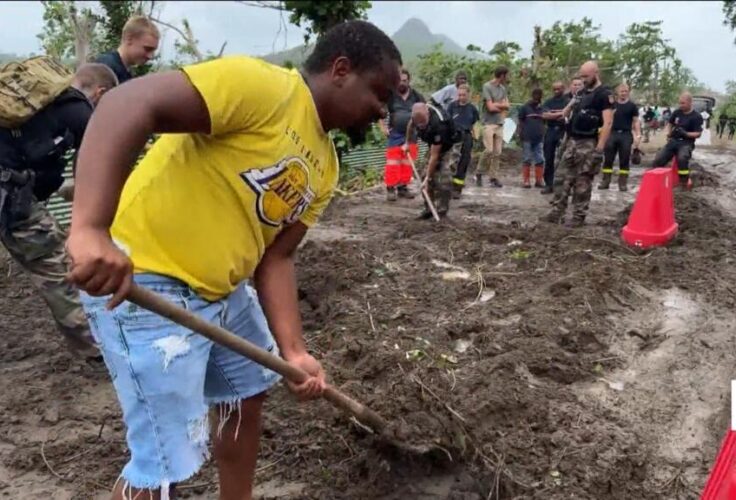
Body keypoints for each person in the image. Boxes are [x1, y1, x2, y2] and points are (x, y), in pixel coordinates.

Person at [66, 21, 401, 498]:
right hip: (144, 278)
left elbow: (278, 258)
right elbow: (127, 103)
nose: (382, 110)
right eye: (379, 94)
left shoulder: (326, 164)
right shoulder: (262, 88)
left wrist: (294, 351)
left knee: (245, 395)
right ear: (341, 70)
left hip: (223, 291)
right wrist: (90, 230)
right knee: (167, 456)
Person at [0, 62, 118, 359]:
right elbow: (92, 172)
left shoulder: (37, 107)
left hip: (12, 191)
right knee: (59, 270)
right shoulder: (79, 112)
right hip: (12, 199)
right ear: (100, 93)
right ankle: (97, 349)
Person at [545, 61, 614, 227]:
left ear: (595, 73)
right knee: (561, 177)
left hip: (589, 142)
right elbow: (567, 110)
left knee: (582, 182)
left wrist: (599, 149)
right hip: (572, 140)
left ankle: (578, 216)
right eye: (581, 76)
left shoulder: (604, 95)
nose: (583, 79)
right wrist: (561, 112)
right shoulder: (581, 93)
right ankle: (557, 212)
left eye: (586, 76)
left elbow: (608, 123)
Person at [410, 102, 463, 219]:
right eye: (419, 125)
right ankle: (429, 208)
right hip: (434, 145)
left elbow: (435, 156)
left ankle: (442, 212)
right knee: (423, 176)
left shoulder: (439, 124)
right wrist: (406, 143)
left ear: (427, 113)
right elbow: (410, 125)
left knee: (443, 178)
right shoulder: (416, 116)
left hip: (450, 145)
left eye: (423, 123)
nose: (421, 126)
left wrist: (428, 179)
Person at [378, 68, 424, 201]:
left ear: (409, 81)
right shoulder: (391, 95)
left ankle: (403, 187)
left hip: (412, 134)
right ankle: (391, 188)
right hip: (395, 133)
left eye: (404, 80)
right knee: (393, 161)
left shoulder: (416, 96)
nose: (401, 83)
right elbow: (379, 110)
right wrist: (383, 127)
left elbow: (424, 111)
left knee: (407, 162)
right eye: (399, 80)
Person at [651, 92, 704, 188]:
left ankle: (683, 181)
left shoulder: (696, 116)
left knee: (682, 158)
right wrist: (669, 132)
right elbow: (670, 123)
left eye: (683, 103)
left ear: (690, 103)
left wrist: (686, 133)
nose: (681, 105)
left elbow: (698, 134)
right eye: (680, 103)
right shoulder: (677, 112)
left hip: (686, 142)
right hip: (674, 141)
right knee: (658, 159)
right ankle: (657, 181)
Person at [598, 83, 640, 192]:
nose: (624, 93)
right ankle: (605, 181)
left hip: (626, 134)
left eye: (626, 91)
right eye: (622, 91)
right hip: (612, 133)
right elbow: (606, 119)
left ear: (628, 92)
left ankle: (622, 183)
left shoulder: (632, 106)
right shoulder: (612, 105)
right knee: (608, 159)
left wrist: (638, 135)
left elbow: (636, 121)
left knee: (624, 159)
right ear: (617, 92)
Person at [95, 15, 160, 84]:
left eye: (153, 51)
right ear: (129, 39)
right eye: (147, 49)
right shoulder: (107, 67)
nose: (150, 56)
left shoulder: (125, 72)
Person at [476, 66, 510, 188]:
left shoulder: (503, 89)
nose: (508, 77)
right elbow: (490, 108)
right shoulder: (487, 87)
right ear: (502, 75)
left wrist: (498, 105)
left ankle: (493, 177)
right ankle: (479, 172)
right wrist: (501, 105)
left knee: (497, 153)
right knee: (489, 150)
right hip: (488, 123)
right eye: (507, 75)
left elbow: (508, 105)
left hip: (499, 123)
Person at [446, 84, 479, 199]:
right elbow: (447, 122)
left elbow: (475, 124)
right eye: (459, 95)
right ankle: (447, 186)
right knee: (452, 162)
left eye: (464, 95)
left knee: (464, 162)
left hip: (466, 136)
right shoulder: (451, 107)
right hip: (454, 136)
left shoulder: (472, 109)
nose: (461, 97)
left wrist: (476, 136)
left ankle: (457, 188)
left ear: (468, 95)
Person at [540, 81, 570, 194]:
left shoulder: (567, 101)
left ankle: (565, 185)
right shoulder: (548, 101)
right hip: (551, 131)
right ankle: (548, 184)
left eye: (559, 89)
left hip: (563, 131)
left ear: (563, 88)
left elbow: (567, 114)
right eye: (554, 89)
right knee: (548, 158)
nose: (557, 91)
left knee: (565, 159)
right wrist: (560, 113)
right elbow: (544, 115)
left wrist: (554, 114)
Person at [517, 88, 546, 188]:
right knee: (527, 158)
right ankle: (526, 181)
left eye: (539, 95)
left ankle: (539, 180)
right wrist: (520, 134)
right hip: (527, 137)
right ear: (532, 95)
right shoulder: (525, 108)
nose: (537, 97)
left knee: (540, 159)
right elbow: (520, 122)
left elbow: (545, 122)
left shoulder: (543, 108)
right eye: (535, 94)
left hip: (539, 137)